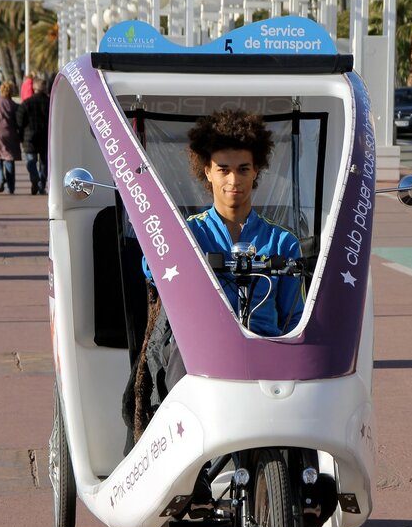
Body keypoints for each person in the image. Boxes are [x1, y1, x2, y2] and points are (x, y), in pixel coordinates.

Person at [125, 108, 305, 448]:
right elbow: (153, 266)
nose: (233, 181)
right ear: (206, 171)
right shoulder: (186, 235)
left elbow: (291, 317)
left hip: (266, 355)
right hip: (202, 353)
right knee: (178, 353)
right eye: (223, 170)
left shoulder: (283, 242)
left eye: (243, 170)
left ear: (256, 172)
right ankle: (193, 471)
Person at [16, 77, 49, 195]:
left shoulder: (26, 103)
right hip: (46, 137)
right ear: (44, 88)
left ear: (34, 88)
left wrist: (20, 136)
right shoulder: (50, 102)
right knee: (45, 163)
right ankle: (41, 185)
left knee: (31, 161)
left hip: (29, 137)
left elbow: (19, 121)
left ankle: (34, 177)